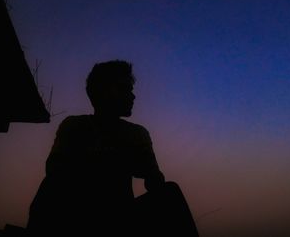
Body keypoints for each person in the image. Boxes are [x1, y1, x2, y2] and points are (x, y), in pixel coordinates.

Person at [26, 60, 199, 236]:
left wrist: (147, 169)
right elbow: (55, 171)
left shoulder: (137, 134)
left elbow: (154, 181)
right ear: (99, 92)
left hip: (121, 218)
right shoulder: (75, 126)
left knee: (170, 193)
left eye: (131, 90)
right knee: (50, 188)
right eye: (123, 89)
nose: (132, 96)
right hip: (75, 214)